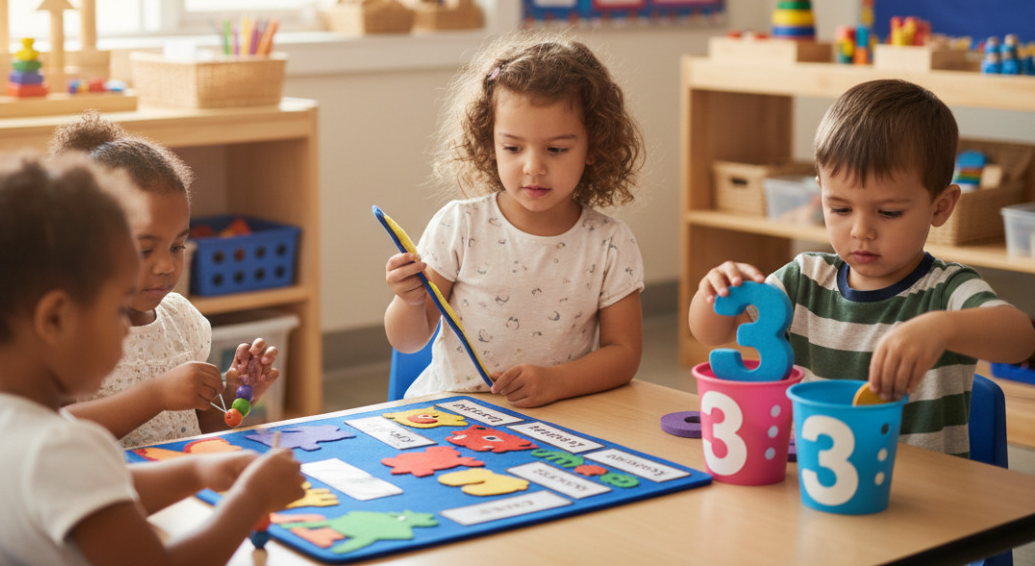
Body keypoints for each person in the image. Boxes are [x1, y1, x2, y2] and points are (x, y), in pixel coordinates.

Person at [0, 151, 304, 565]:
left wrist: (197, 474)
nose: (126, 329)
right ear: (55, 318)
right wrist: (253, 499)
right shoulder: (61, 450)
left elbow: (92, 487)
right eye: (116, 308)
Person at [689, 78, 1035, 456]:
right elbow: (708, 333)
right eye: (839, 208)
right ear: (820, 193)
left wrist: (944, 327)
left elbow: (1020, 338)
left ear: (941, 207)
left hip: (923, 496)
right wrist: (715, 290)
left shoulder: (947, 290)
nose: (861, 231)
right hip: (819, 479)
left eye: (888, 212)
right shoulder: (802, 279)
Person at [384, 30, 646, 408]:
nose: (533, 167)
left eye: (556, 149)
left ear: (594, 146)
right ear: (489, 142)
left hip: (558, 417)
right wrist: (408, 302)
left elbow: (624, 354)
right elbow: (408, 341)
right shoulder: (460, 225)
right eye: (512, 147)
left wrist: (558, 381)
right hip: (453, 415)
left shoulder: (609, 242)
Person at [51, 111, 278, 447]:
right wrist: (155, 395)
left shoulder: (182, 320)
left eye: (177, 246)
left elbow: (202, 426)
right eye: (145, 250)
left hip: (180, 486)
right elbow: (53, 434)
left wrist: (235, 396)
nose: (166, 266)